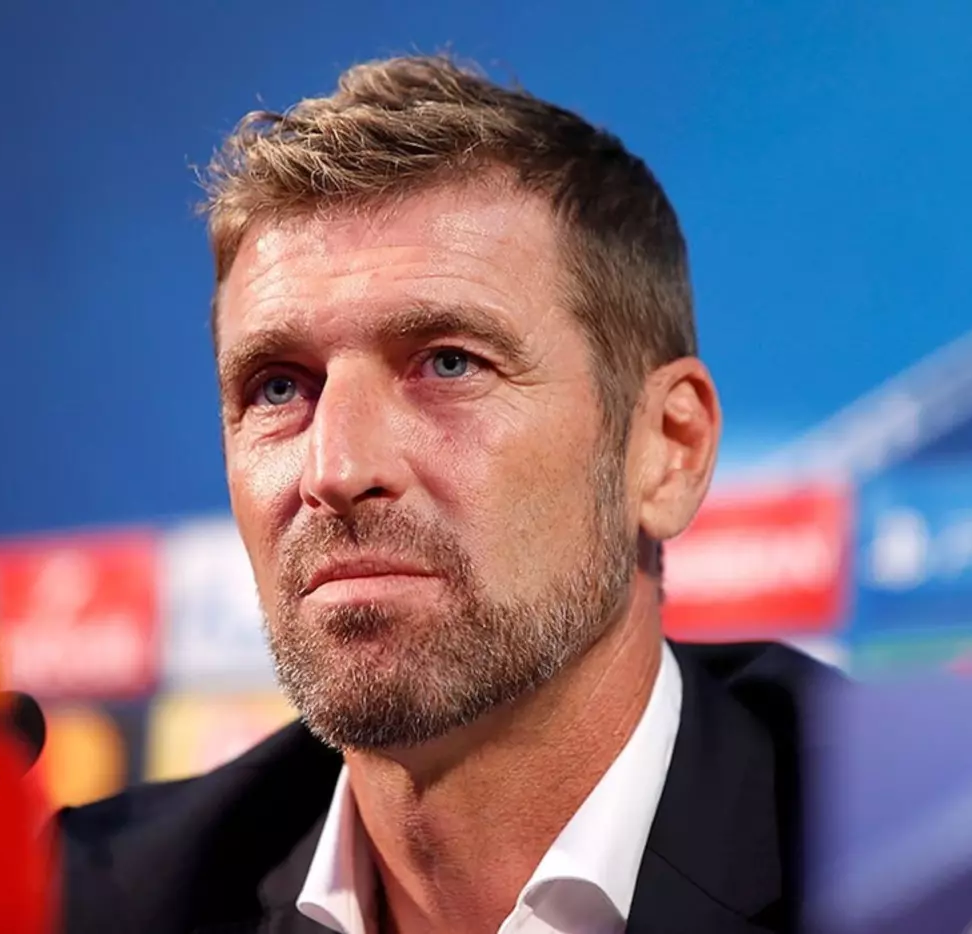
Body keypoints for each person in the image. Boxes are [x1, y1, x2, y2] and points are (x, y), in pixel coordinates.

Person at [57, 54, 835, 934]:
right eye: (279, 387)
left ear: (666, 449)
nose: (335, 470)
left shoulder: (914, 857)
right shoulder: (95, 903)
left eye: (449, 364)